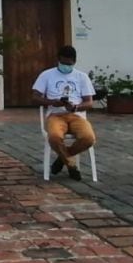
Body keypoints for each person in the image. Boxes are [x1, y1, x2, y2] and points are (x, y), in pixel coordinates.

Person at [31, 45, 96, 180]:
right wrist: (51, 102)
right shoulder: (47, 75)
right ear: (58, 60)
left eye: (69, 63)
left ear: (74, 62)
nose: (66, 66)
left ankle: (62, 159)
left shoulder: (82, 77)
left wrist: (76, 107)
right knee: (54, 137)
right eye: (63, 63)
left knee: (88, 138)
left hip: (76, 115)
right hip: (55, 115)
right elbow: (35, 96)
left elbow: (89, 102)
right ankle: (71, 165)